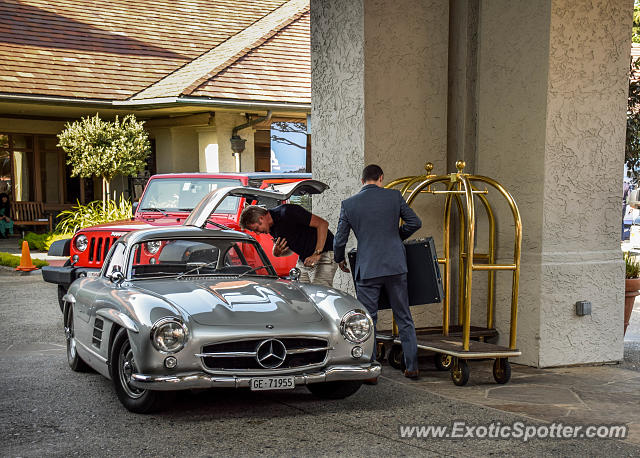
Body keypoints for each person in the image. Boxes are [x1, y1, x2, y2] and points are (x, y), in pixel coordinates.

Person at [333, 164, 422, 379]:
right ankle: (412, 367)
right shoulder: (394, 197)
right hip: (395, 265)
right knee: (404, 316)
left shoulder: (349, 204)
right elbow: (415, 222)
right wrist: (396, 238)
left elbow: (340, 239)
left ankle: (370, 369)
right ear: (380, 178)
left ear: (362, 180)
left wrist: (339, 259)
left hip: (368, 267)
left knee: (369, 319)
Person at [239, 204, 338, 287]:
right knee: (301, 293)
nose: (257, 233)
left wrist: (317, 253)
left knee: (321, 295)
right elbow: (290, 249)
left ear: (261, 218)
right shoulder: (271, 228)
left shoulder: (287, 212)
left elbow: (323, 224)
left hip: (325, 253)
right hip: (305, 259)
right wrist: (277, 253)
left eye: (256, 229)